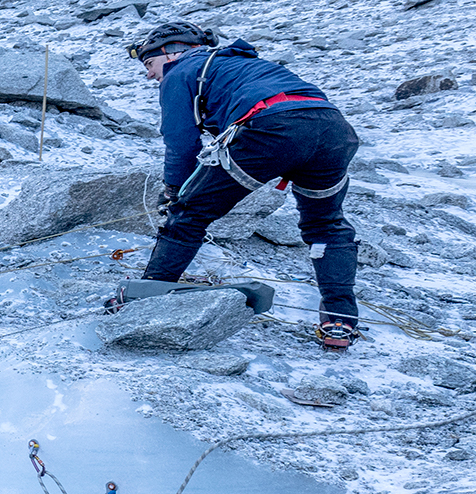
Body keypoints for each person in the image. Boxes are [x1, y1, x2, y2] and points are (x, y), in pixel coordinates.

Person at [125, 21, 365, 350]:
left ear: (171, 53)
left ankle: (144, 296)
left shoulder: (182, 71)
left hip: (272, 126)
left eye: (149, 64)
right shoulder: (245, 64)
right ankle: (339, 320)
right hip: (333, 129)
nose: (150, 76)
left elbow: (181, 144)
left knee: (189, 212)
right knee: (326, 225)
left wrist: (173, 192)